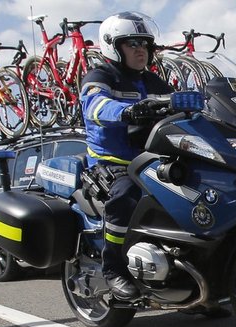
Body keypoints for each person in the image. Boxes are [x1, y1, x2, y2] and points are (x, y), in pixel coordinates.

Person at [80, 11, 172, 301]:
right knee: (126, 195)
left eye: (144, 44)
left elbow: (181, 105)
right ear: (113, 46)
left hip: (153, 160)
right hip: (113, 163)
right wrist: (124, 110)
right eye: (132, 43)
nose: (140, 50)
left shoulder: (154, 82)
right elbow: (94, 106)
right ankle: (114, 268)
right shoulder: (101, 76)